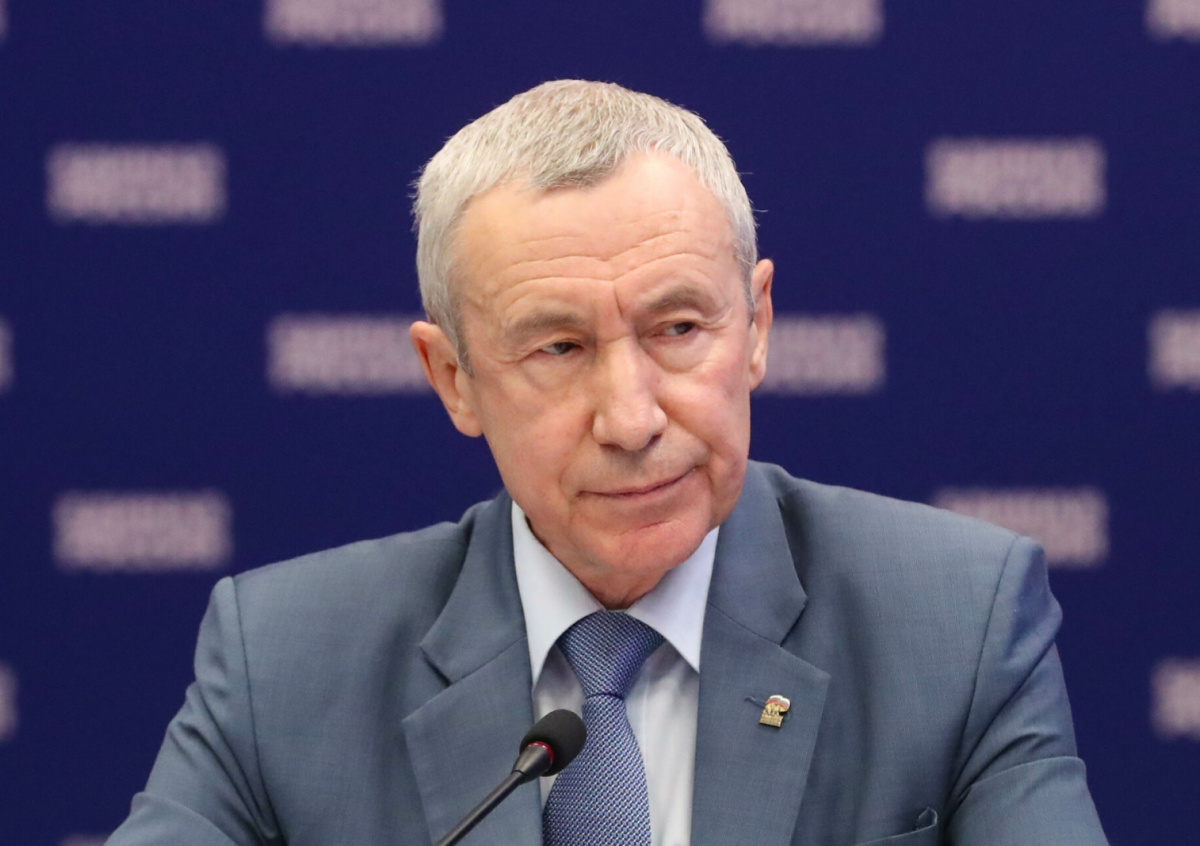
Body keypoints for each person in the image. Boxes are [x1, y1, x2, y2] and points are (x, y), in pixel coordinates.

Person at [107, 80, 1108, 846]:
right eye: (559, 348)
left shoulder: (958, 622)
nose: (631, 419)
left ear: (756, 327)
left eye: (678, 329)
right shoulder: (284, 661)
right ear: (453, 379)